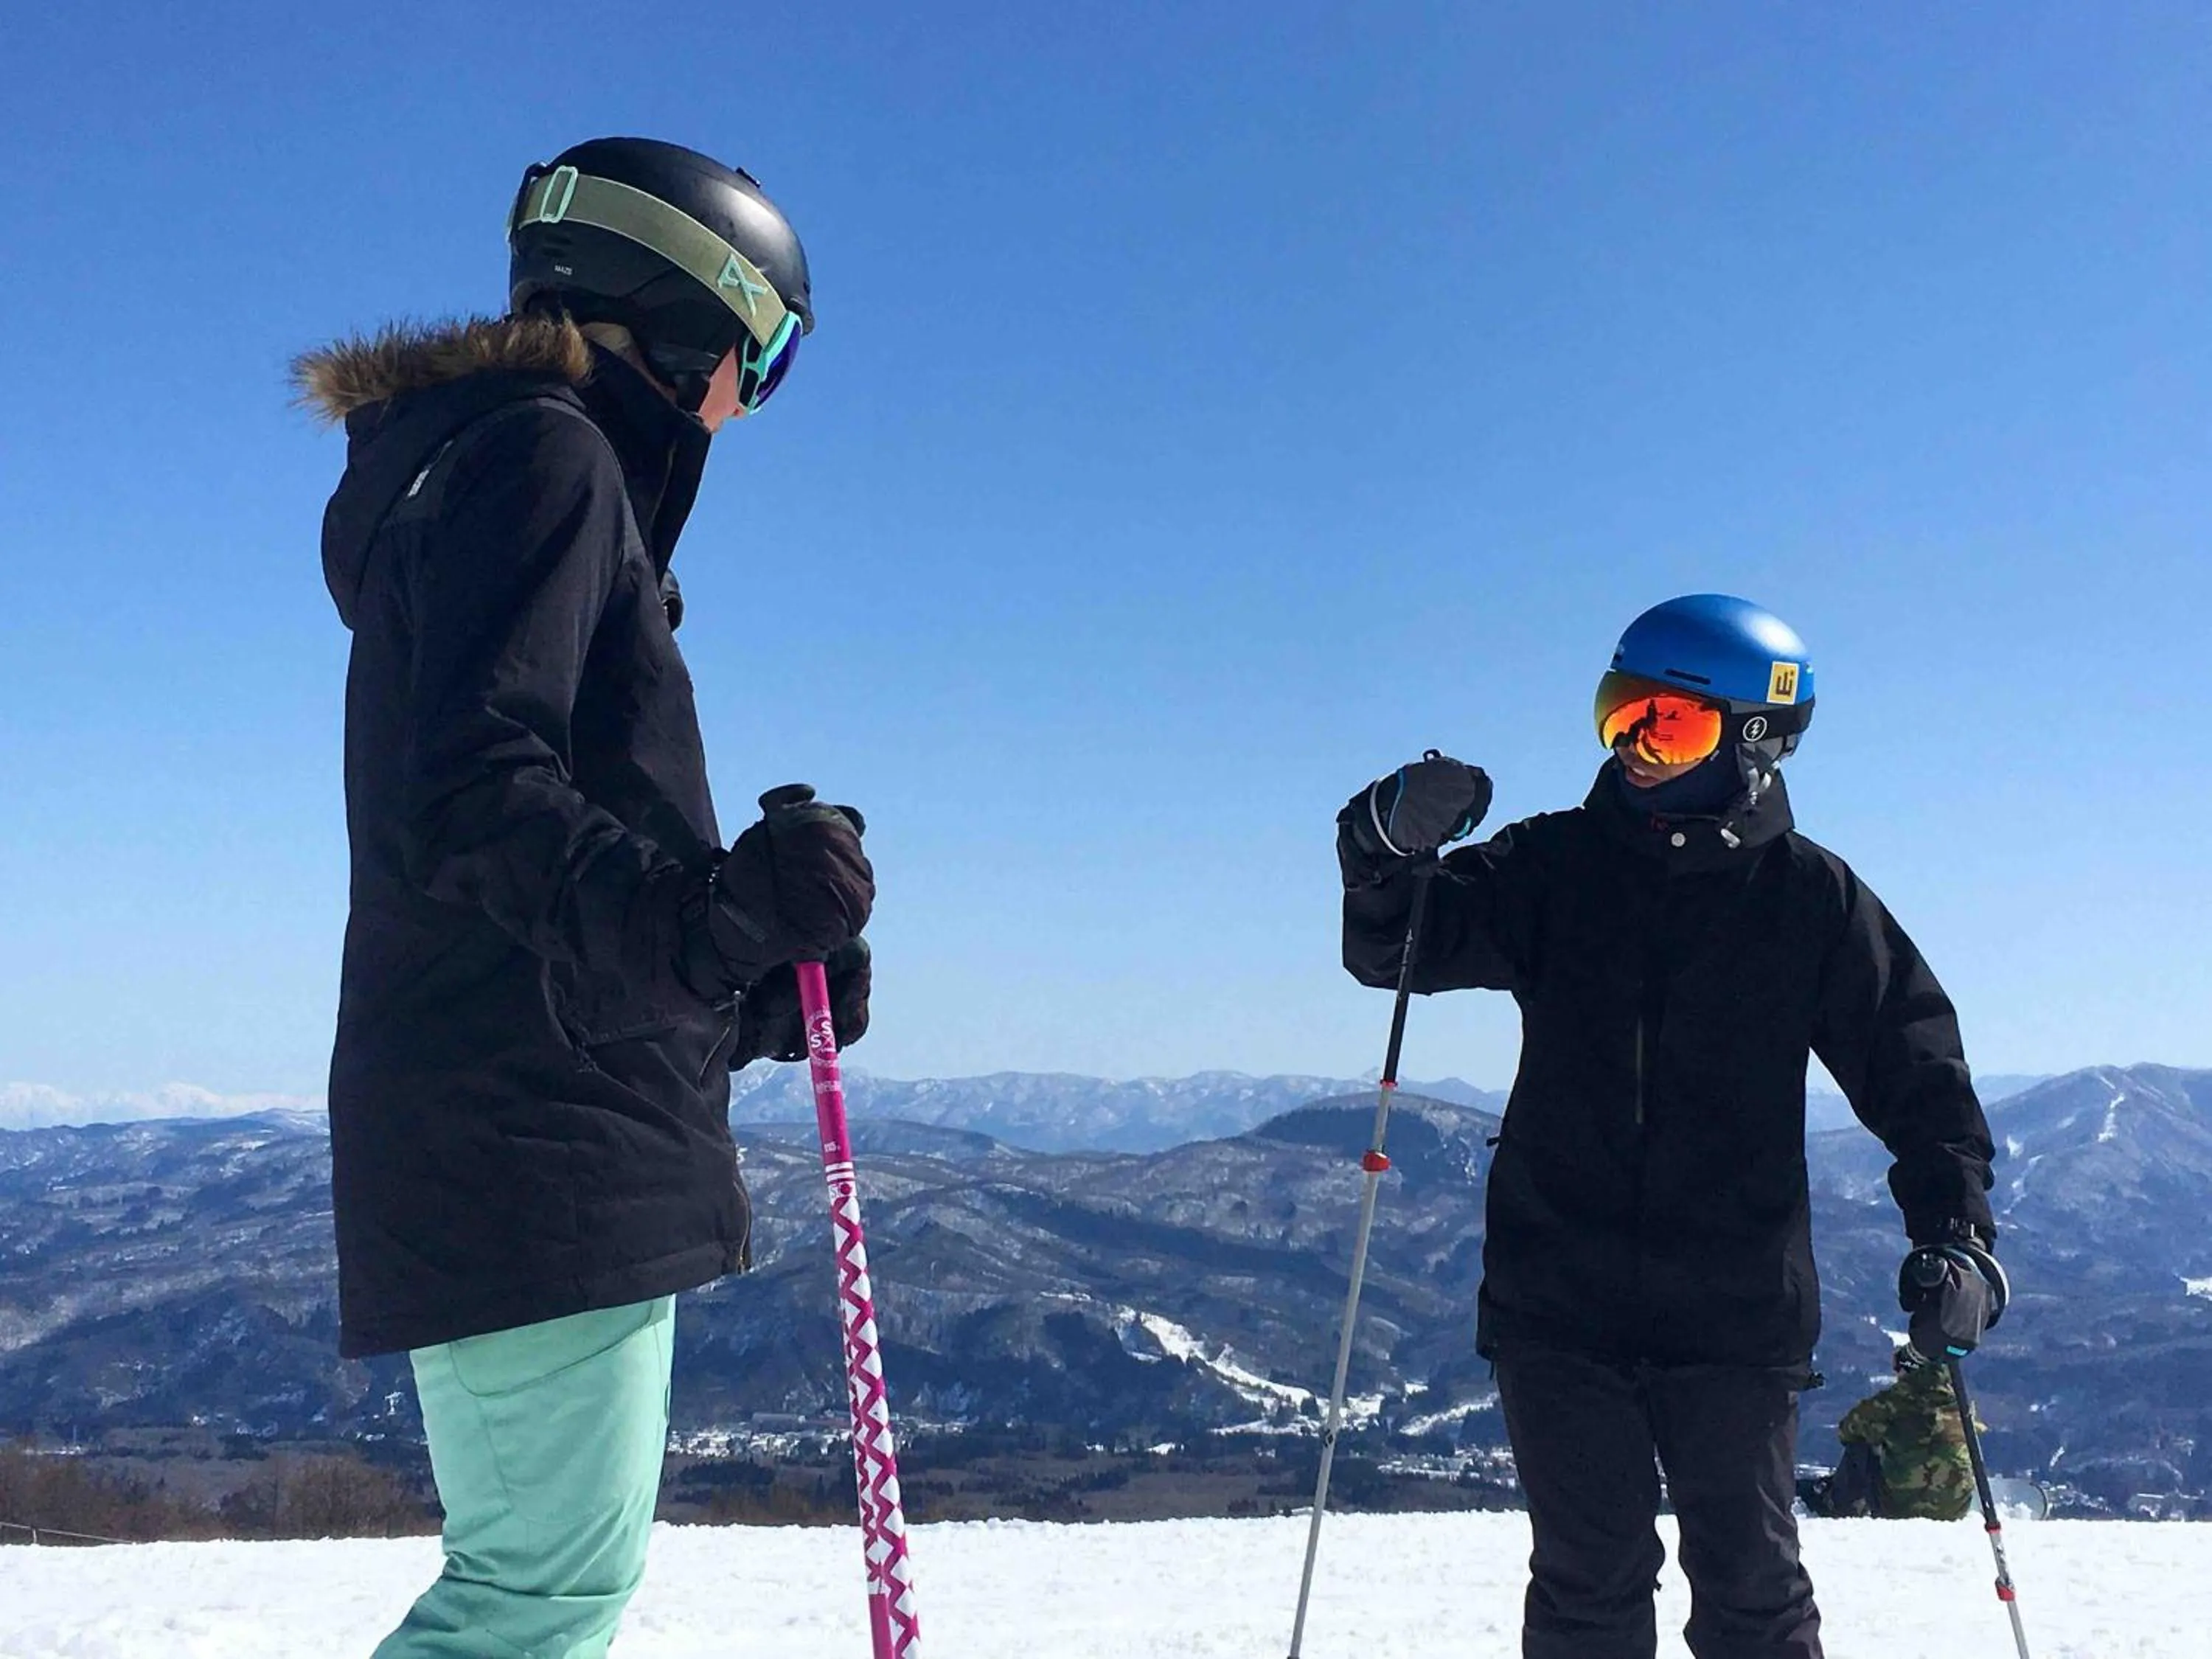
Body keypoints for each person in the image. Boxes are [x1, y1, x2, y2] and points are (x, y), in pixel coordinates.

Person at [295, 136, 874, 1658]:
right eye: (764, 356)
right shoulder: (543, 456)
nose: (752, 401)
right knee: (532, 1605)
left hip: (534, 1113)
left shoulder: (506, 471)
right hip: (526, 1137)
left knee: (551, 1596)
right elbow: (479, 800)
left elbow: (524, 863)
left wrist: (746, 979)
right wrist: (715, 921)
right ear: (686, 316)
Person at [1335, 594, 2006, 1659]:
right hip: (1560, 1304)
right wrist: (1378, 839)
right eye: (1620, 715)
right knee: (1585, 1592)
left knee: (1753, 1598)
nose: (1637, 748)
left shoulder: (1809, 900)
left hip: (1736, 1313)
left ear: (1755, 741)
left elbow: (1917, 1070)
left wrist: (1957, 1232)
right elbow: (1402, 948)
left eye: (1670, 723)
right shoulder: (1555, 868)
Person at [1807, 1348, 1979, 1522]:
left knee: (1859, 1448)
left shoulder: (1890, 1402)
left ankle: (1837, 1504)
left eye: (1898, 1368)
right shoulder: (1960, 1404)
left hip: (1899, 1508)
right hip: (1955, 1508)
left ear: (1908, 1368)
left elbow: (1847, 1431)